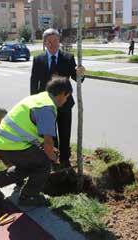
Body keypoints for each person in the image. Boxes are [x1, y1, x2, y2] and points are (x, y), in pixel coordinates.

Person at [0, 77, 72, 206]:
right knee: (44, 164)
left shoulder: (40, 97)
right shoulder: (47, 108)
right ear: (62, 94)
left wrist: (46, 149)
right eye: (67, 97)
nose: (66, 100)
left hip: (1, 141)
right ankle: (28, 197)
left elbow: (28, 130)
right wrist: (53, 157)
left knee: (28, 166)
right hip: (11, 144)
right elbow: (48, 143)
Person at [30, 28, 85, 168]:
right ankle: (52, 159)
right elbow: (33, 82)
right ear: (44, 43)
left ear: (59, 41)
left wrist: (80, 73)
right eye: (49, 41)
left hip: (65, 103)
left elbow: (77, 78)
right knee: (49, 134)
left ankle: (65, 159)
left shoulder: (68, 58)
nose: (52, 44)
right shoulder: (38, 59)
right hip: (45, 105)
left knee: (65, 132)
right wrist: (34, 102)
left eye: (55, 40)